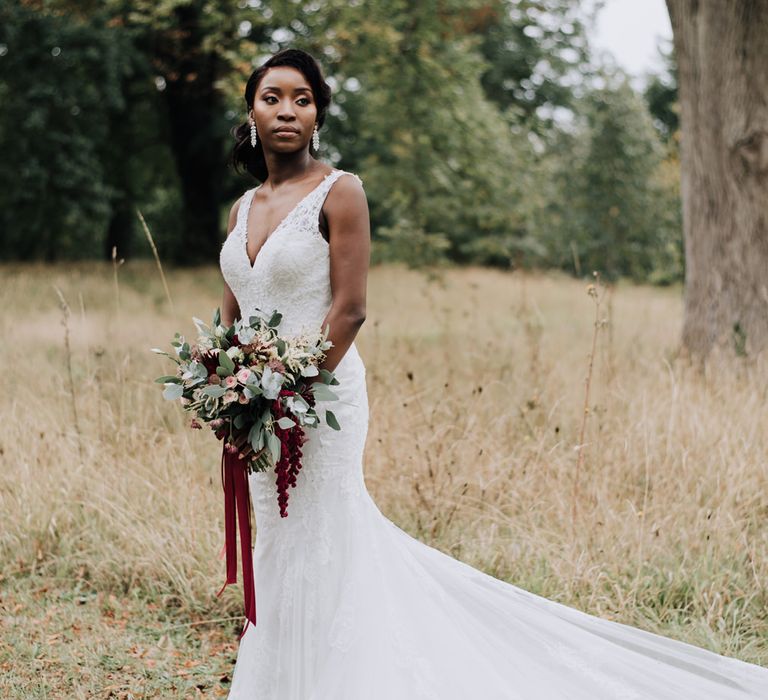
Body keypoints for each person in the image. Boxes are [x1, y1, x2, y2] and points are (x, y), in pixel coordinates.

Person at [217, 47, 768, 699]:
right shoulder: (242, 207)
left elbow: (352, 309)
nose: (287, 109)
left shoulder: (341, 193)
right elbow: (232, 309)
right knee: (278, 539)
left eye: (302, 99)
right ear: (251, 111)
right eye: (272, 96)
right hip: (255, 409)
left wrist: (288, 394)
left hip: (319, 399)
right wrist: (223, 387)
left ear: (319, 115)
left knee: (326, 536)